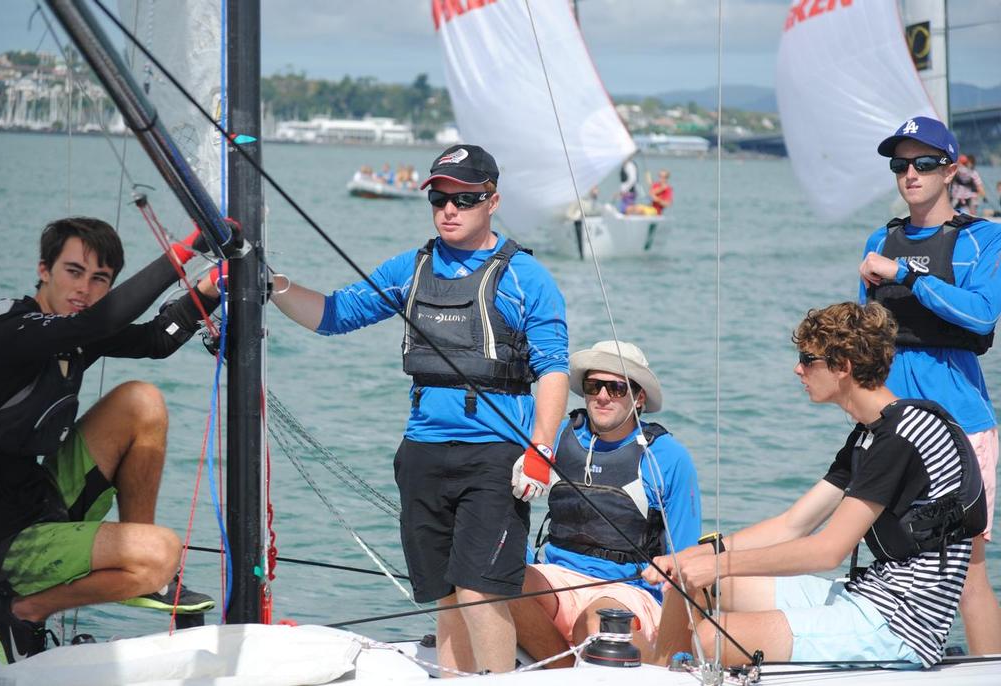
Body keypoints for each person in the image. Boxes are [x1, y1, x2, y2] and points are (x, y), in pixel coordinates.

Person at [270, 144, 569, 675]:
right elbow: (333, 315)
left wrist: (541, 447)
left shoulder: (527, 278)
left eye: (466, 199)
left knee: (480, 589)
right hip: (423, 452)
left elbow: (553, 369)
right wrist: (269, 285)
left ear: (493, 201)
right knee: (447, 594)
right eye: (439, 198)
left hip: (496, 459)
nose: (450, 209)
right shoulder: (409, 268)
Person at [645, 301, 985, 668]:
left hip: (898, 626)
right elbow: (794, 524)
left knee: (713, 638)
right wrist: (701, 557)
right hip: (867, 596)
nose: (798, 369)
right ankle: (659, 672)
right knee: (693, 585)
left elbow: (828, 551)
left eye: (808, 359)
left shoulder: (900, 437)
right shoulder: (869, 434)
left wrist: (719, 565)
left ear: (843, 367)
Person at [0, 217, 222, 664]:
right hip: (0, 544)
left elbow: (154, 339)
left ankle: (150, 576)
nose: (84, 289)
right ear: (44, 269)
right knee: (163, 551)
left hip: (39, 502)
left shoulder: (71, 331)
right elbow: (101, 321)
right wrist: (187, 248)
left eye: (100, 279)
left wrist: (207, 292)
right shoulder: (11, 332)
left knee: (140, 401)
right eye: (73, 271)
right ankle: (22, 611)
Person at [858, 116, 1001, 655]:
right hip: (893, 424)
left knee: (966, 569)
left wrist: (905, 277)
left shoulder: (985, 238)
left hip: (961, 425)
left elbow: (982, 315)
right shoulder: (881, 238)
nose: (909, 174)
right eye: (900, 164)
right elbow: (866, 339)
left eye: (923, 163)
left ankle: (989, 670)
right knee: (892, 558)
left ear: (950, 168)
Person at [510, 340, 700, 667]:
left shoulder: (669, 458)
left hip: (626, 592)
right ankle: (565, 670)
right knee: (497, 582)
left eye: (616, 388)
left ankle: (582, 661)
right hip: (556, 578)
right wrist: (521, 563)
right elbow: (514, 514)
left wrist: (679, 653)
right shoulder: (555, 437)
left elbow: (684, 559)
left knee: (595, 625)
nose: (601, 395)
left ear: (639, 398)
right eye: (593, 385)